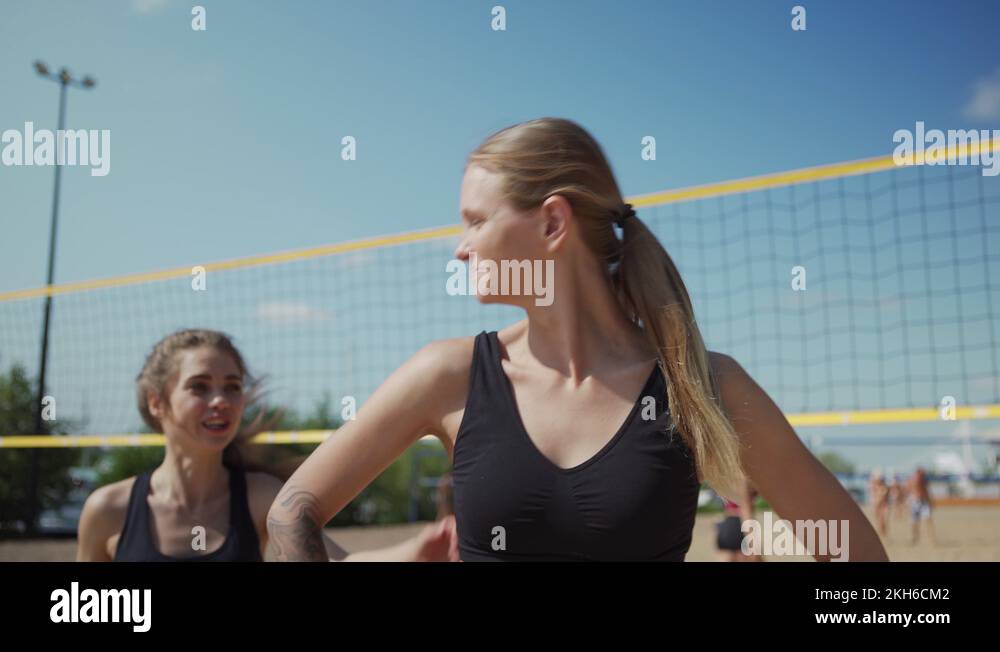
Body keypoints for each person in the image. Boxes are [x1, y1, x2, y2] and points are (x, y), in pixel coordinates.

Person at [265, 117, 889, 562]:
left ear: (553, 221)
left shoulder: (702, 385)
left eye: (477, 221)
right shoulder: (449, 374)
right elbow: (293, 511)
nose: (461, 247)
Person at [77, 329, 457, 562]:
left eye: (232, 386)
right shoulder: (108, 510)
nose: (220, 400)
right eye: (199, 386)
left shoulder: (260, 497)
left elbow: (334, 560)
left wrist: (417, 553)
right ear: (157, 402)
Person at [715, 482, 762, 562]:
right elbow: (745, 509)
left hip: (727, 525)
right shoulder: (743, 479)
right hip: (740, 526)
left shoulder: (728, 477)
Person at [906, 467, 936, 546]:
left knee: (922, 521)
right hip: (917, 501)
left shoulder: (918, 479)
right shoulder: (919, 479)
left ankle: (927, 538)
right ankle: (918, 538)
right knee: (919, 521)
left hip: (919, 501)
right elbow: (926, 491)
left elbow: (908, 490)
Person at [868, 471, 890, 539]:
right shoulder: (874, 487)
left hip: (883, 505)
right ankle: (881, 535)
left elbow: (884, 496)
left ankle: (884, 534)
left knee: (884, 521)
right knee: (878, 521)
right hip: (877, 506)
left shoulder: (885, 487)